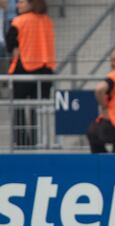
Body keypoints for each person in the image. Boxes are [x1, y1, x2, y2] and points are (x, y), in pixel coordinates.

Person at [6, 0, 55, 146]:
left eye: (21, 2)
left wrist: (16, 48)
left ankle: (22, 143)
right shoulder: (47, 21)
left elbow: (10, 44)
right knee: (37, 110)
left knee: (19, 108)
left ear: (31, 4)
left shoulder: (19, 21)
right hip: (45, 69)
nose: (17, 5)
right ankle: (37, 142)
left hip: (23, 68)